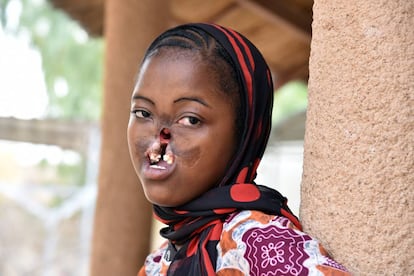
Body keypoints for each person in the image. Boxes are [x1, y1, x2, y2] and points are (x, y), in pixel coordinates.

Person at [127, 23, 350, 276]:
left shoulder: (264, 247)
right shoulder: (157, 265)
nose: (160, 137)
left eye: (190, 119)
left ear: (243, 134)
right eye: (143, 113)